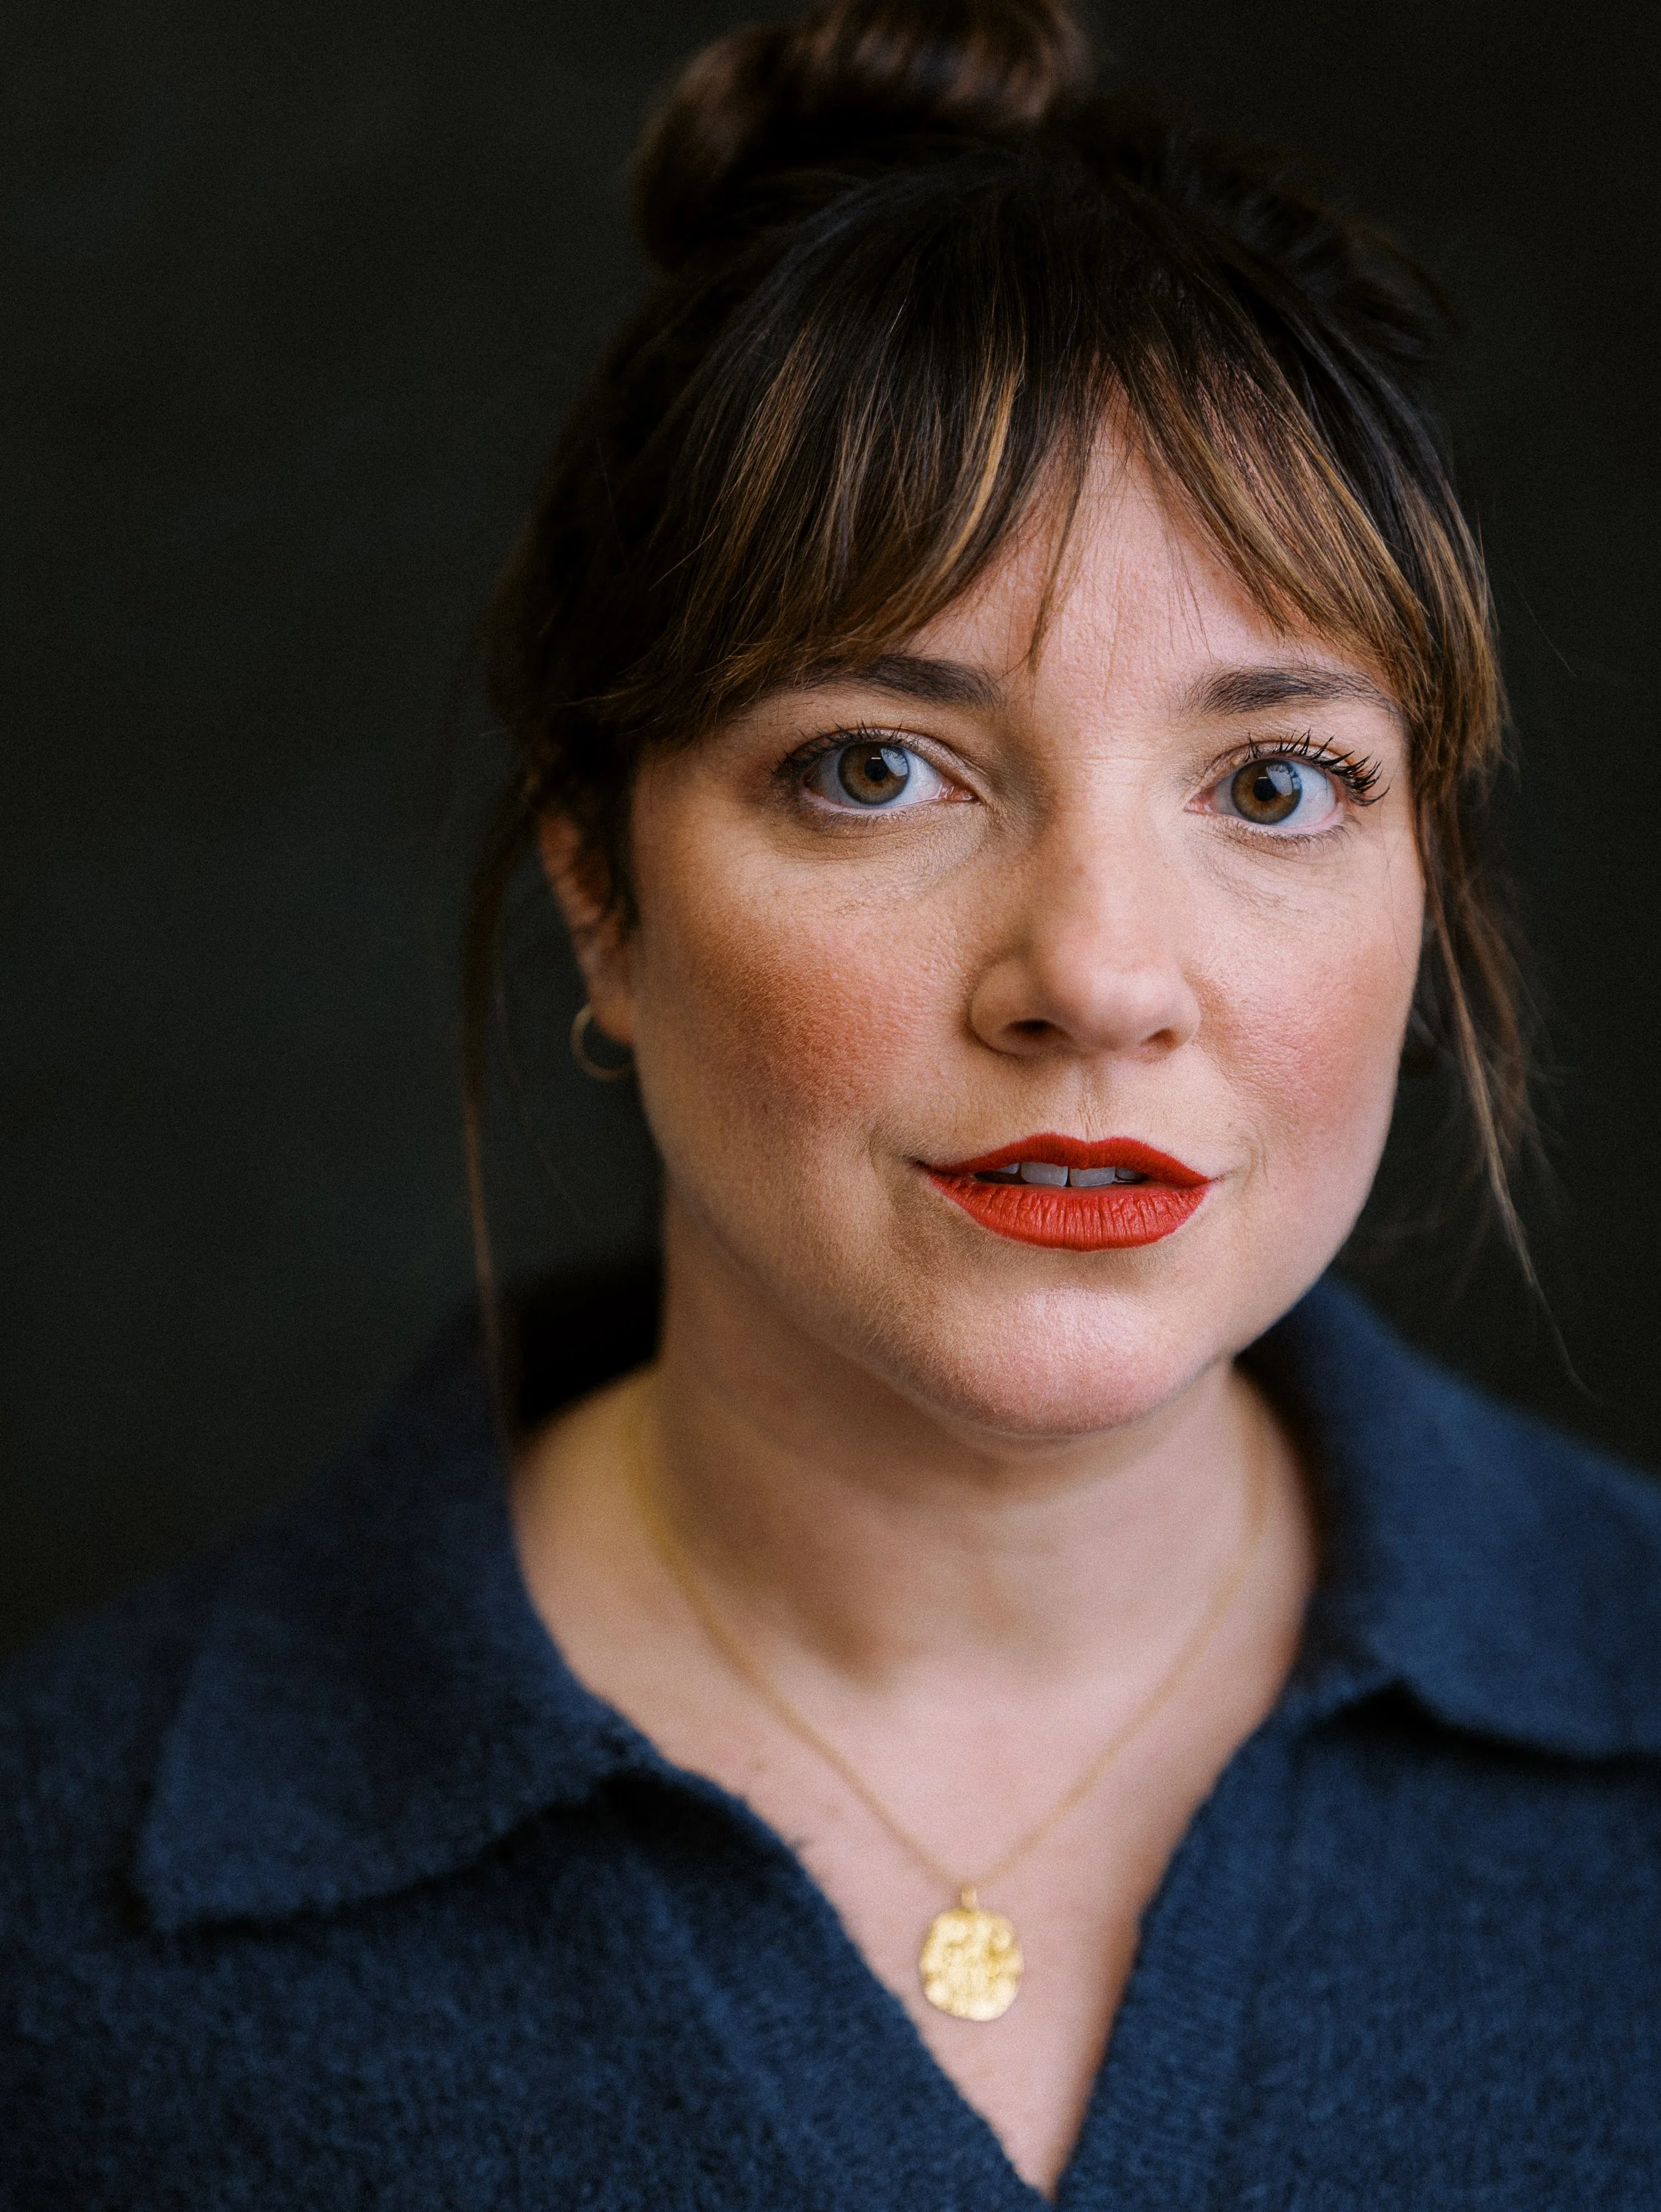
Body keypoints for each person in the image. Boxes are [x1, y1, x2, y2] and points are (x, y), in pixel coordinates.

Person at [5, 1, 1661, 2203]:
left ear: (1423, 878)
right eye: (875, 767)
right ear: (598, 890)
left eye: (1275, 784)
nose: (1092, 974)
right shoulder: (64, 1918)